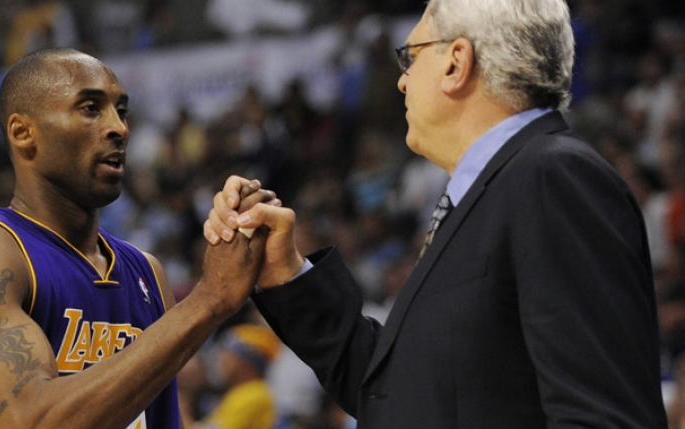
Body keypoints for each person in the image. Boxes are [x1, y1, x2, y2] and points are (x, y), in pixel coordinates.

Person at [204, 0, 668, 427]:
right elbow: (397, 395)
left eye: (411, 57)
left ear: (456, 63)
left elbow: (602, 417)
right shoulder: (497, 190)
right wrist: (287, 274)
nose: (402, 80)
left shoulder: (554, 177)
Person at [0, 48, 273, 429]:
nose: (120, 128)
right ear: (23, 133)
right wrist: (210, 298)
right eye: (91, 108)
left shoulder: (146, 272)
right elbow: (33, 421)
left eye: (121, 111)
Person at [185, 323, 281, 429]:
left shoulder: (254, 395)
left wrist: (178, 405)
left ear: (245, 362)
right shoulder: (239, 392)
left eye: (227, 354)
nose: (221, 361)